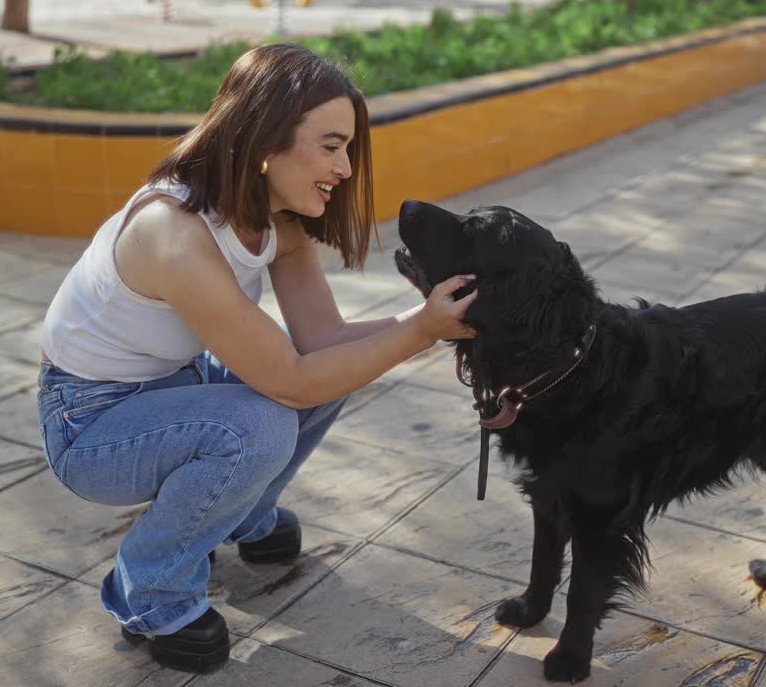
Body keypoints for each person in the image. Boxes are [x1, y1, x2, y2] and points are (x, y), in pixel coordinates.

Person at [35, 43, 476, 674]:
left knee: (340, 367)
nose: (346, 168)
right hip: (89, 423)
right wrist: (422, 330)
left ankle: (240, 514)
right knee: (262, 422)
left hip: (172, 387)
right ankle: (151, 590)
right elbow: (292, 382)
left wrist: (436, 319)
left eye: (348, 148)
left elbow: (324, 341)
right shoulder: (174, 234)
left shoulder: (277, 223)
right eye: (330, 146)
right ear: (266, 139)